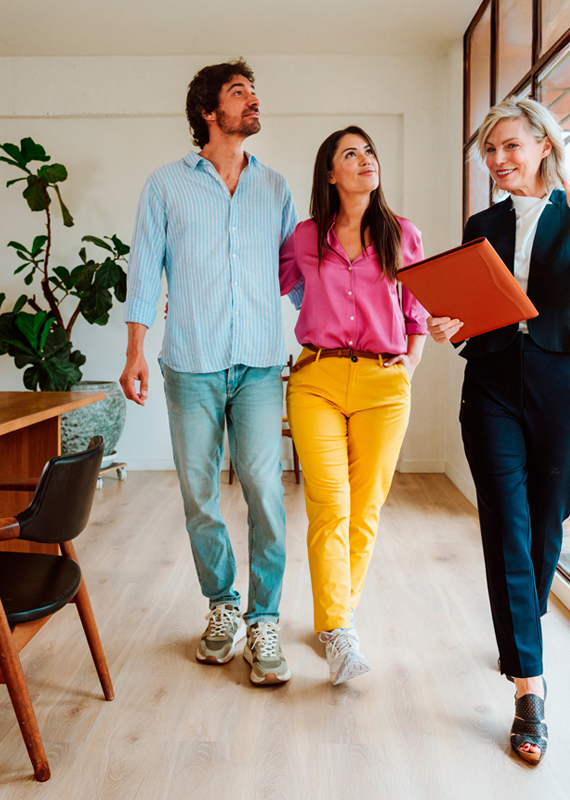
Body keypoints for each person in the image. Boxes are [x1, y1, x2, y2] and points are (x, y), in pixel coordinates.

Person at [428, 98, 570, 763]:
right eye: (490, 151)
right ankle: (529, 690)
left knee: (548, 522)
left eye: (510, 146)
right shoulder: (482, 220)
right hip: (489, 384)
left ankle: (522, 625)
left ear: (543, 144)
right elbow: (471, 302)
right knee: (505, 527)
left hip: (558, 381)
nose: (499, 161)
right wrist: (448, 321)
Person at [120, 58, 297, 685]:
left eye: (253, 92)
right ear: (207, 111)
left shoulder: (275, 187)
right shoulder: (166, 185)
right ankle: (223, 607)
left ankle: (265, 616)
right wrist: (135, 349)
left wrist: (337, 333)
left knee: (264, 491)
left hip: (257, 365)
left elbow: (294, 276)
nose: (252, 102)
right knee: (199, 495)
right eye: (239, 93)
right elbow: (144, 273)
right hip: (189, 364)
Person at [279, 126, 427, 685]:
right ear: (330, 174)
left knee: (365, 508)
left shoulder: (401, 234)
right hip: (316, 378)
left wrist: (409, 367)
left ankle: (333, 618)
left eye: (369, 152)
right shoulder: (304, 236)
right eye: (351, 154)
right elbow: (266, 282)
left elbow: (416, 310)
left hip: (383, 385)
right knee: (328, 502)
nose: (365, 160)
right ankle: (340, 631)